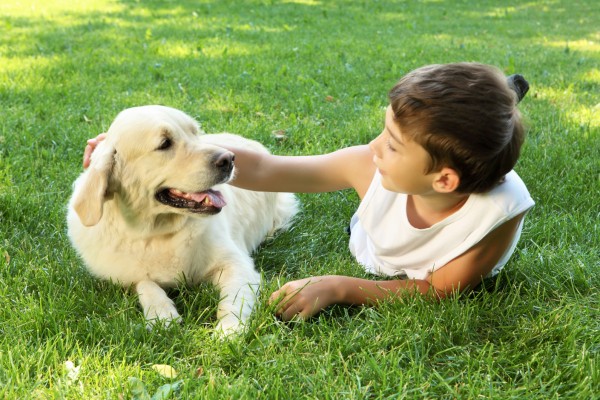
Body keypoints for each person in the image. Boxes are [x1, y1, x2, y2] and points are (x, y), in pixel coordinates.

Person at [83, 63, 534, 322]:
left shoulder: (496, 214)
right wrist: (130, 144)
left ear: (444, 182)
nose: (375, 145)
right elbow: (268, 167)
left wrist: (340, 287)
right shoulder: (368, 165)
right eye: (384, 131)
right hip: (375, 239)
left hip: (421, 268)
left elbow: (436, 288)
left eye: (393, 145)